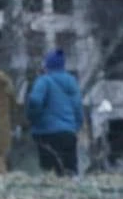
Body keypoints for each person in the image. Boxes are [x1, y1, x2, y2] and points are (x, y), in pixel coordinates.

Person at [27, 48, 83, 176]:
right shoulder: (72, 82)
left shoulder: (43, 81)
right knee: (70, 172)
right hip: (68, 133)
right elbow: (78, 107)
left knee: (49, 173)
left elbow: (35, 100)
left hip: (46, 133)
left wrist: (33, 118)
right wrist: (76, 126)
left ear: (47, 65)